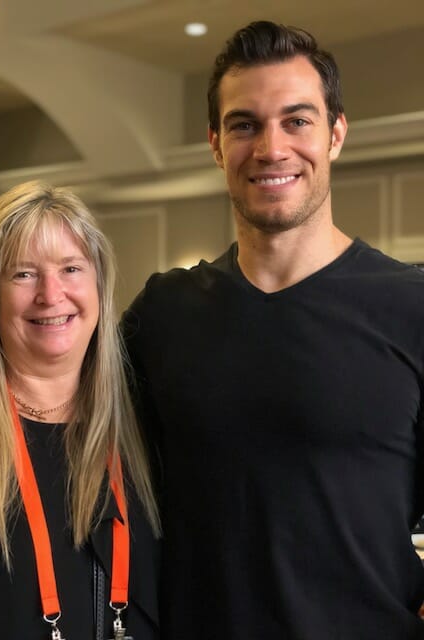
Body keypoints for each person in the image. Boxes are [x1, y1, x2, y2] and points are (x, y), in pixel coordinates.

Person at [122, 20, 424, 640]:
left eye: (297, 120)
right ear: (214, 143)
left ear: (336, 133)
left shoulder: (411, 306)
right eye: (244, 124)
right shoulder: (163, 312)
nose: (271, 147)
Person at [0, 181, 160, 640]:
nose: (51, 293)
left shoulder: (149, 429)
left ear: (99, 284)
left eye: (71, 268)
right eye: (23, 274)